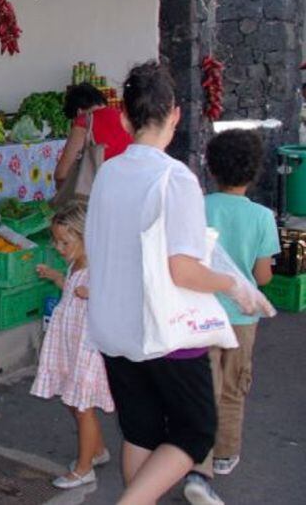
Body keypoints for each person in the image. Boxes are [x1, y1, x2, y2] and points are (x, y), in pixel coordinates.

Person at [85, 60, 267, 505]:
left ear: (125, 119)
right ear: (175, 114)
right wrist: (235, 285)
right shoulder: (175, 177)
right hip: (164, 330)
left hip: (113, 325)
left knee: (142, 431)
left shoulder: (109, 171)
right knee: (195, 429)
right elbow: (182, 270)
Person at [183, 129, 278, 503]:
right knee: (235, 387)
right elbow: (262, 276)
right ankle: (225, 453)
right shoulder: (261, 217)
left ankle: (198, 462)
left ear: (211, 169)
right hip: (241, 318)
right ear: (254, 172)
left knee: (204, 388)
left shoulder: (199, 208)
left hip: (201, 313)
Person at [31, 200, 114, 490]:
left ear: (86, 237)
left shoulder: (100, 270)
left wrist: (94, 294)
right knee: (73, 400)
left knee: (81, 405)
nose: (58, 247)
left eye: (65, 242)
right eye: (55, 241)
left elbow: (117, 300)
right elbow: (71, 288)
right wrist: (56, 276)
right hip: (70, 342)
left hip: (87, 346)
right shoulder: (76, 264)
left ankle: (83, 469)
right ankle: (98, 450)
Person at [53, 82, 132, 187]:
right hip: (130, 185)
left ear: (78, 111)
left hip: (103, 190)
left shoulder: (84, 122)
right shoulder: (124, 118)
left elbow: (61, 174)